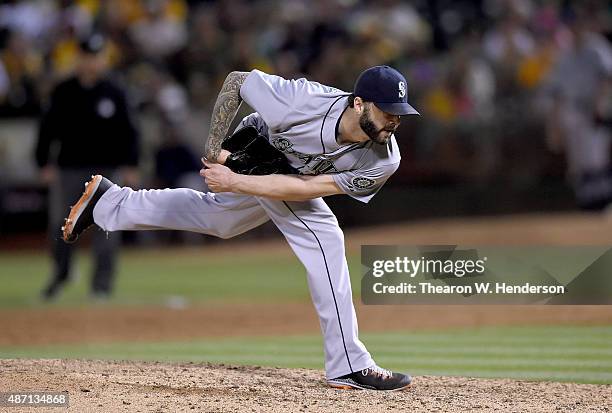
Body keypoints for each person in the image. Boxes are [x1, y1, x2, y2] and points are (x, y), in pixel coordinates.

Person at [61, 65, 418, 391]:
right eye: (387, 111)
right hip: (256, 147)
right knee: (324, 238)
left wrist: (236, 183)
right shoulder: (301, 101)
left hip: (288, 176)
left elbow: (307, 188)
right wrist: (214, 148)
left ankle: (110, 203)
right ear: (358, 104)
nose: (394, 121)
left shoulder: (385, 159)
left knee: (221, 220)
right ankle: (349, 364)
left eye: (399, 113)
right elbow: (236, 81)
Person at [35, 34, 139, 300]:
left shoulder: (115, 91)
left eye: (96, 57)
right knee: (62, 225)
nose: (91, 63)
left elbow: (130, 131)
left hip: (107, 171)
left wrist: (131, 164)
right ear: (78, 58)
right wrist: (43, 161)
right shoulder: (64, 91)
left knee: (107, 227)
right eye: (87, 57)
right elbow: (47, 130)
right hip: (69, 168)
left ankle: (101, 286)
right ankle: (62, 273)